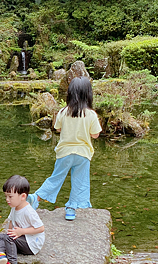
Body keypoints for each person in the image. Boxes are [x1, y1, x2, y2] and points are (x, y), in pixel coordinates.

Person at [27, 76, 102, 221]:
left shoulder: (63, 111)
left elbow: (57, 128)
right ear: (88, 94)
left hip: (64, 153)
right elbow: (95, 135)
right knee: (80, 182)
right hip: (83, 153)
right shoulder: (91, 114)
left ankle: (36, 197)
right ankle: (71, 209)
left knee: (56, 177)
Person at [0, 175, 45, 264]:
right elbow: (11, 222)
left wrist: (21, 232)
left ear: (23, 196)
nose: (7, 199)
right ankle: (0, 256)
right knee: (1, 237)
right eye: (6, 196)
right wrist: (7, 235)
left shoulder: (28, 211)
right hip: (22, 238)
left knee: (9, 239)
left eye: (10, 196)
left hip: (32, 244)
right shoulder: (14, 207)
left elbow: (41, 228)